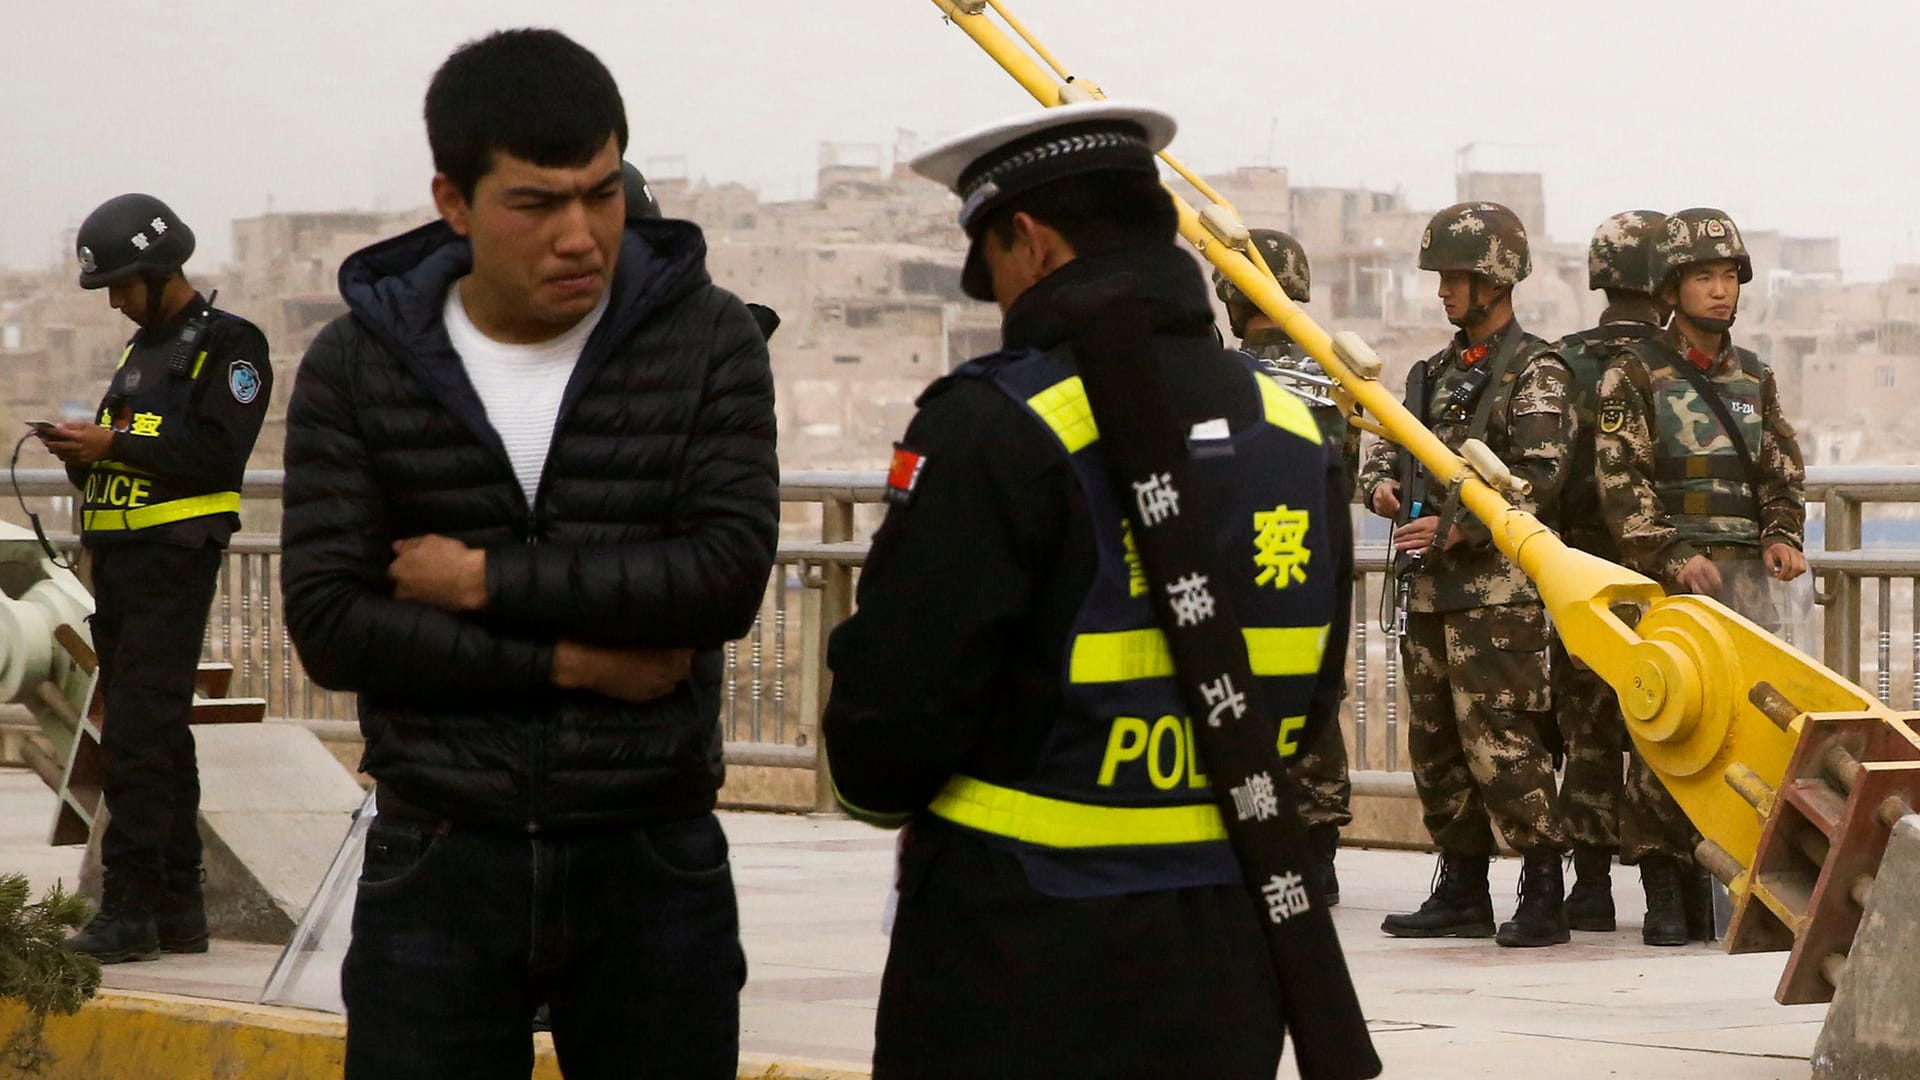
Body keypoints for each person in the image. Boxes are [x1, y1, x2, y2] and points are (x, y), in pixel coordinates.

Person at [279, 29, 778, 1078]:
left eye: (600, 193)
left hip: (649, 853)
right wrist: (574, 663)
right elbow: (332, 625)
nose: (581, 235)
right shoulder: (359, 366)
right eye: (538, 204)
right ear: (454, 202)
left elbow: (723, 578)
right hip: (441, 854)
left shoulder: (708, 341)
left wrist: (480, 580)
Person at [822, 101, 1353, 1079]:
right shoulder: (1295, 435)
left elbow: (886, 734)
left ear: (1026, 239)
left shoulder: (1001, 425)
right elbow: (1312, 696)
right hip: (1232, 958)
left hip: (1018, 955)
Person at [41, 193, 271, 964]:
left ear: (158, 270)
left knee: (137, 736)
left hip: (174, 561)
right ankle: (179, 907)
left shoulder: (230, 345)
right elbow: (130, 454)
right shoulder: (137, 356)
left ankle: (129, 907)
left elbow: (213, 453)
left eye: (120, 286)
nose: (113, 303)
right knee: (158, 738)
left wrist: (115, 445)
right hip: (123, 567)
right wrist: (86, 457)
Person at [1358, 202, 1575, 948]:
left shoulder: (1537, 371)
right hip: (1427, 592)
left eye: (1456, 277)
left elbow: (1539, 478)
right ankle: (1460, 885)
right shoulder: (1429, 376)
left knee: (1506, 741)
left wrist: (1457, 528)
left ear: (1496, 279)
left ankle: (1544, 885)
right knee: (1437, 744)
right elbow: (1389, 450)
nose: (1444, 291)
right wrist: (1381, 488)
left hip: (1497, 599)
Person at [1592, 207, 1807, 942]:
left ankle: (1726, 876)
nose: (1720, 291)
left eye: (1728, 277)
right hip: (1671, 587)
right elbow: (1621, 483)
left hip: (1747, 589)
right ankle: (1662, 884)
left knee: (1741, 728)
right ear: (1671, 287)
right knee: (1669, 728)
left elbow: (1782, 472)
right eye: (1703, 277)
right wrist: (1673, 556)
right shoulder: (1636, 372)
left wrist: (1781, 536)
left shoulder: (1756, 377)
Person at [1548, 210, 1706, 942]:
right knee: (1667, 723)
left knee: (1585, 728)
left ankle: (1588, 888)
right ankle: (1678, 888)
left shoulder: (1558, 361)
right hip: (1666, 571)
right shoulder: (1680, 364)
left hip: (1579, 572)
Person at [1215, 228, 1354, 904]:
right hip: (1315, 552)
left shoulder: (1228, 377)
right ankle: (1319, 851)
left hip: (1240, 553)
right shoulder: (1335, 371)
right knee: (1315, 700)